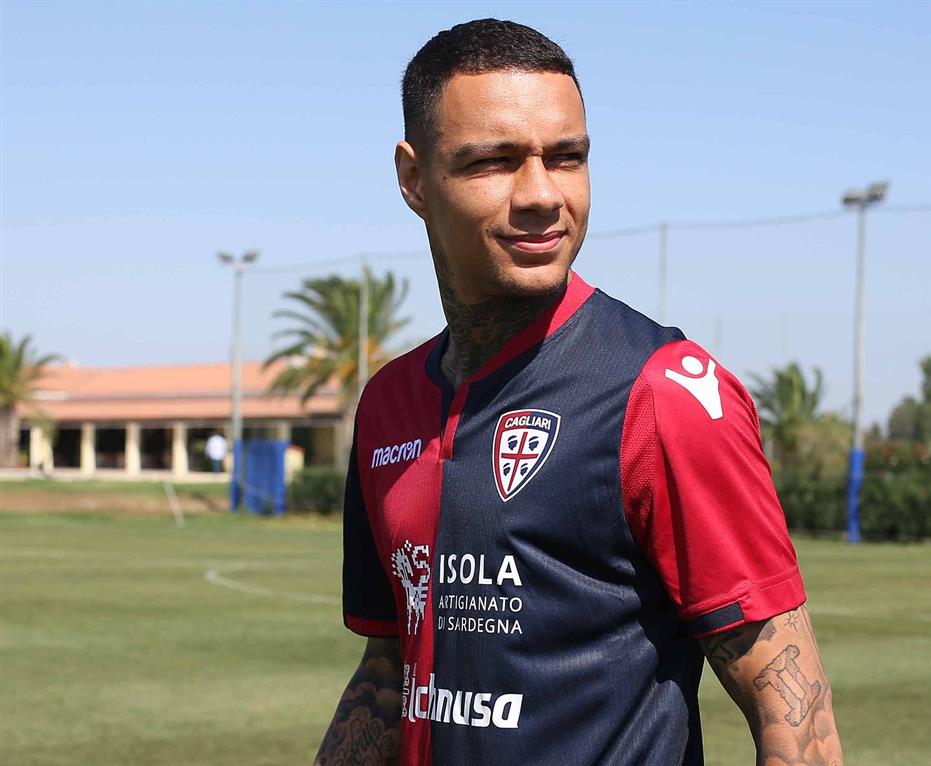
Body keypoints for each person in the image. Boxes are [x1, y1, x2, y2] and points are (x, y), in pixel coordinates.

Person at [314, 18, 843, 766]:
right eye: (493, 162)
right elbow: (389, 668)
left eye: (567, 158)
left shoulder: (664, 393)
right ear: (414, 179)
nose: (541, 195)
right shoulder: (387, 406)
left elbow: (795, 713)